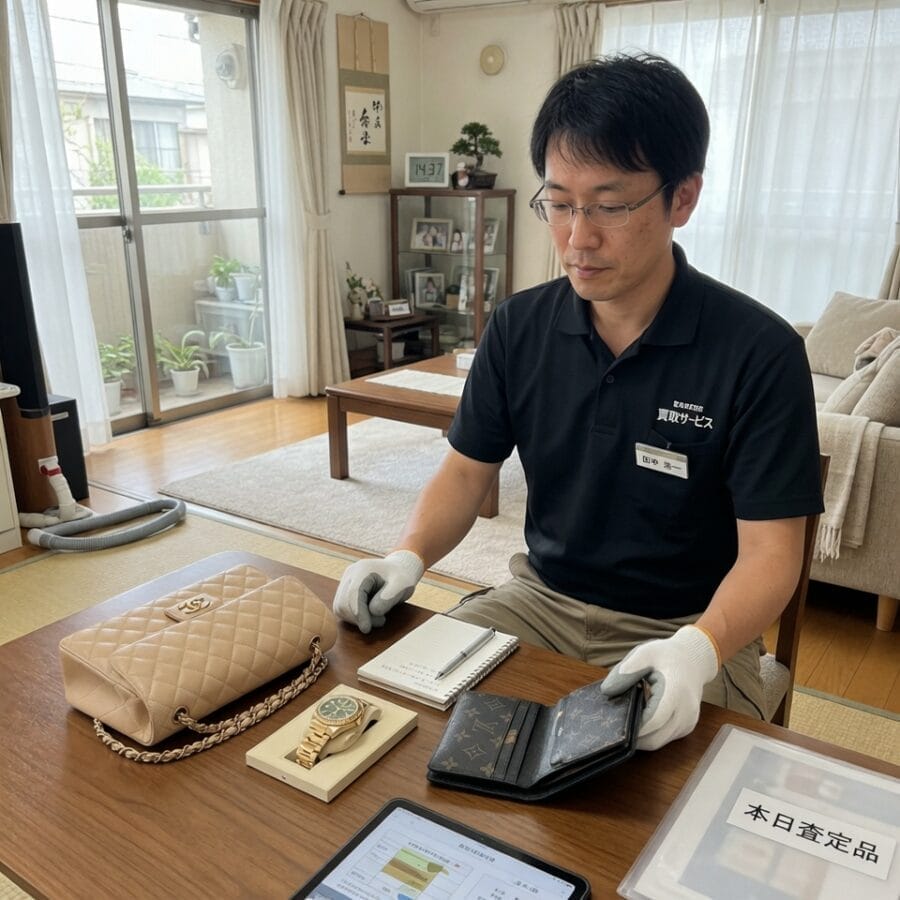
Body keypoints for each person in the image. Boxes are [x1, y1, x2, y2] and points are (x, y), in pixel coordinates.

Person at [333, 53, 823, 752]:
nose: (577, 237)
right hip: (539, 601)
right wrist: (405, 557)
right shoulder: (519, 326)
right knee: (394, 708)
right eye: (559, 203)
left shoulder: (759, 351)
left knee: (647, 785)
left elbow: (773, 554)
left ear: (682, 198)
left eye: (610, 206)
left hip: (688, 624)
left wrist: (699, 648)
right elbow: (466, 472)